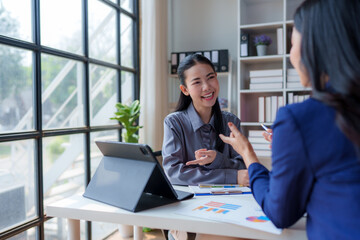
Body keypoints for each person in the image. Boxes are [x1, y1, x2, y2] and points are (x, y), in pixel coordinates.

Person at [220, 0, 360, 239]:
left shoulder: (299, 119)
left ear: (313, 47)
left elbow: (280, 212)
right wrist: (294, 149)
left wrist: (248, 154)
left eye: (292, 43)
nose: (291, 54)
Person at [162, 53, 249, 187]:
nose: (207, 87)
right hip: (190, 202)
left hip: (230, 198)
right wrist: (230, 176)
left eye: (211, 78)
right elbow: (173, 173)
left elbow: (243, 166)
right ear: (185, 90)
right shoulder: (174, 123)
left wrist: (217, 159)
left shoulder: (231, 122)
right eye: (197, 82)